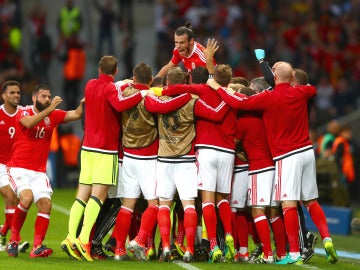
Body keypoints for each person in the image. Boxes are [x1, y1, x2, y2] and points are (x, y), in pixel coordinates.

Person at [209, 61, 339, 265]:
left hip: (287, 156)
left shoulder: (268, 98)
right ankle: (327, 238)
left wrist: (217, 87)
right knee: (311, 201)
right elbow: (311, 88)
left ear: (274, 76)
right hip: (307, 152)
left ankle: (294, 254)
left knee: (287, 205)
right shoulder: (302, 93)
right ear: (292, 79)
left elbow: (239, 104)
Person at [61, 56, 149, 262]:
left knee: (81, 194)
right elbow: (119, 105)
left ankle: (70, 237)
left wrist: (124, 83)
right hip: (105, 150)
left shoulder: (90, 84)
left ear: (99, 68)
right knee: (99, 196)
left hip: (87, 147)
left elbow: (107, 90)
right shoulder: (112, 90)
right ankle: (84, 241)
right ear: (116, 71)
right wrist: (141, 93)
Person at [145, 67, 230, 262]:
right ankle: (190, 249)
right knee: (189, 206)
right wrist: (227, 98)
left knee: (164, 205)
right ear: (184, 83)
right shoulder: (192, 101)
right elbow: (216, 115)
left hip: (164, 160)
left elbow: (150, 101)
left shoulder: (156, 101)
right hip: (186, 161)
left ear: (167, 84)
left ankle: (166, 246)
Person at [6, 84, 84, 258]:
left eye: (49, 97)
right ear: (34, 98)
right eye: (44, 97)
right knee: (26, 197)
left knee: (46, 204)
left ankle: (37, 247)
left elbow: (76, 114)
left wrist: (85, 102)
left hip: (39, 172)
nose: (47, 99)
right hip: (19, 167)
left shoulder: (53, 114)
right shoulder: (24, 112)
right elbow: (29, 123)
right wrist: (50, 109)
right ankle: (13, 240)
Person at [112, 62, 158, 261]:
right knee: (154, 204)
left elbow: (119, 87)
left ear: (133, 77)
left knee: (127, 206)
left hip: (128, 157)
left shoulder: (124, 93)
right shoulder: (152, 97)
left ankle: (119, 250)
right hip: (148, 157)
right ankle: (139, 241)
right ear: (150, 80)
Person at [0, 80, 29, 253]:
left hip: (16, 165)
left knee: (16, 201)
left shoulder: (24, 113)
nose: (16, 95)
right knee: (10, 196)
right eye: (12, 93)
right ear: (3, 95)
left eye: (18, 92)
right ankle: (15, 240)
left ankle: (3, 232)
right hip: (0, 164)